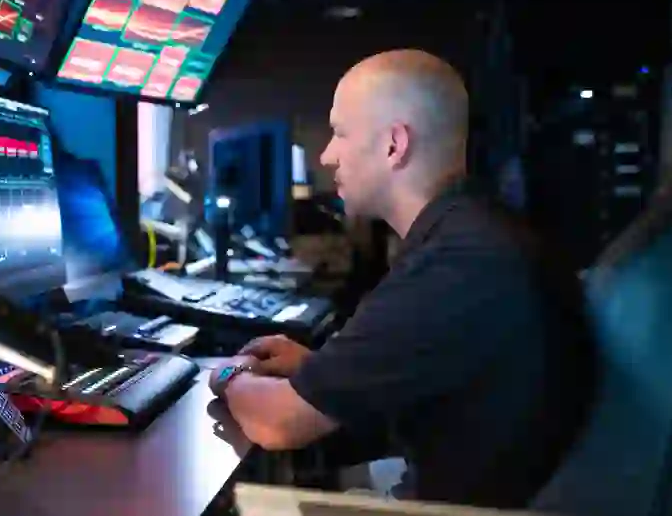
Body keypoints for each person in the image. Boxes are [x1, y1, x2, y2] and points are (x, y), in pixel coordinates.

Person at [209, 49, 595, 509]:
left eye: (339, 133)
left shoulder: (457, 264)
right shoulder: (477, 234)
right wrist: (317, 369)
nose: (327, 156)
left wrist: (227, 374)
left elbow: (277, 423)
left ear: (394, 145)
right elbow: (417, 373)